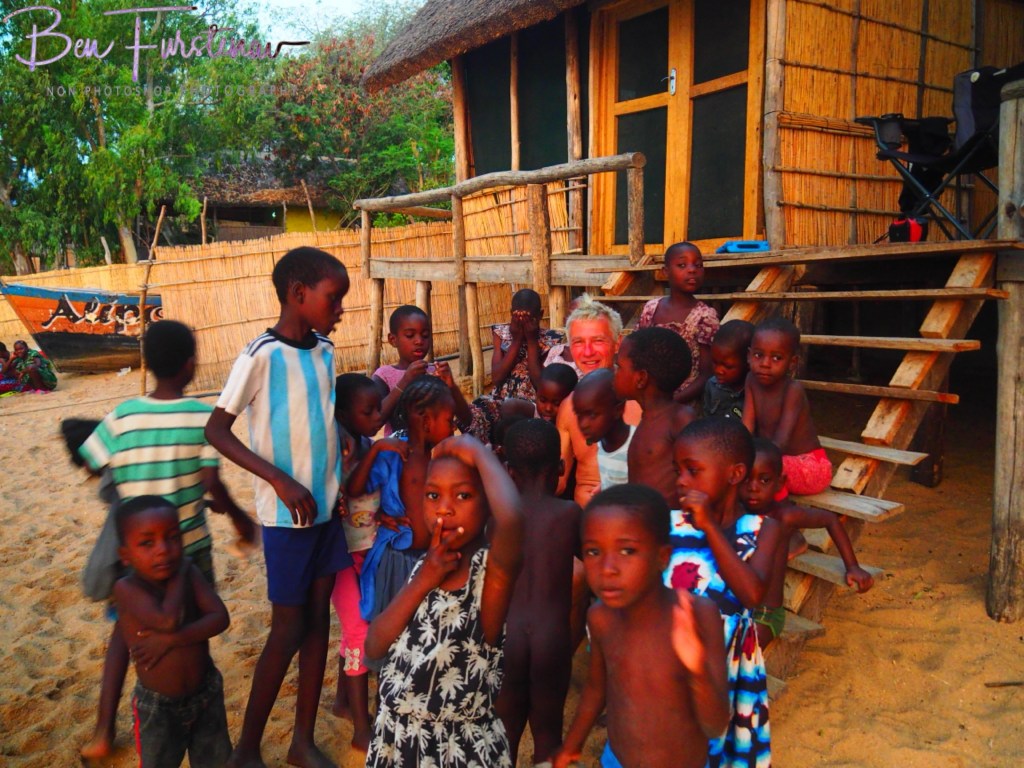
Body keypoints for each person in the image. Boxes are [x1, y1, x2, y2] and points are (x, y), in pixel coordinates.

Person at [78, 319, 255, 761]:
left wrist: (130, 477)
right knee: (192, 630)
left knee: (125, 636)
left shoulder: (123, 414)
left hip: (134, 556)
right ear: (191, 364)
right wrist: (238, 519)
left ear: (148, 363)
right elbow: (213, 481)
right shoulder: (200, 415)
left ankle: (103, 730)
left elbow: (92, 462)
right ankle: (197, 709)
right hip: (187, 551)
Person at [205, 246, 351, 768]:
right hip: (286, 520)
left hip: (327, 511)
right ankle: (247, 750)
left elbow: (319, 413)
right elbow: (216, 430)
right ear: (298, 294)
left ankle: (301, 742)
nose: (340, 309)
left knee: (317, 625)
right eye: (334, 298)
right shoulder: (260, 355)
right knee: (287, 629)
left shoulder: (326, 352)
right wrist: (278, 479)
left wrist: (342, 434)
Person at [363, 434, 524, 767]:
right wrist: (423, 581)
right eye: (432, 495)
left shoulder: (488, 576)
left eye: (463, 495)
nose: (444, 508)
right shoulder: (424, 565)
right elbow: (374, 646)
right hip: (397, 741)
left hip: (456, 749)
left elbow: (512, 521)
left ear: (488, 503)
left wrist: (478, 453)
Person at [552, 484, 730, 768]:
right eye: (594, 551)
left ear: (662, 557)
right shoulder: (600, 618)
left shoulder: (699, 616)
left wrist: (695, 669)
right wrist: (571, 747)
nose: (608, 567)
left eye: (627, 550)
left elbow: (716, 725)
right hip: (617, 761)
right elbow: (597, 689)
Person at [668, 417, 783, 768]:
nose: (681, 480)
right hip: (671, 661)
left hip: (727, 668)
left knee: (716, 748)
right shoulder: (671, 523)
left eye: (693, 470)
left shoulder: (762, 530)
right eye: (678, 470)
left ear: (734, 475)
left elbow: (751, 593)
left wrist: (709, 528)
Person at [112, 495, 232, 768]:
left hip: (207, 692)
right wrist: (181, 572)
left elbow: (220, 617)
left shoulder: (188, 573)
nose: (163, 550)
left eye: (173, 537)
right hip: (158, 707)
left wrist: (172, 641)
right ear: (125, 555)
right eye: (147, 543)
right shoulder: (127, 589)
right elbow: (167, 620)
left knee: (216, 761)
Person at [496, 419, 582, 765]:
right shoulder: (569, 513)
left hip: (507, 638)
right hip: (552, 638)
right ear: (561, 469)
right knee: (548, 731)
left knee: (504, 730)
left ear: (509, 472)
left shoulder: (498, 517)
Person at [742, 438, 874, 648]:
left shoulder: (783, 517)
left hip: (766, 615)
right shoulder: (735, 513)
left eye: (764, 480)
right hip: (737, 607)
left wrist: (853, 566)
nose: (753, 488)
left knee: (743, 648)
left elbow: (830, 519)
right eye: (746, 480)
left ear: (780, 483)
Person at [349, 375, 457, 622]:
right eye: (449, 421)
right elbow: (355, 490)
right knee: (397, 625)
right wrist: (376, 449)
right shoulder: (394, 455)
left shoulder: (445, 460)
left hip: (432, 561)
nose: (453, 428)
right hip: (398, 560)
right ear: (427, 422)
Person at [328, 373, 383, 752]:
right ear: (344, 414)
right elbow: (347, 491)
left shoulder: (364, 442)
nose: (379, 416)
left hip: (368, 552)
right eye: (369, 411)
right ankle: (362, 728)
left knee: (357, 629)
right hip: (342, 555)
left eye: (380, 407)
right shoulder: (338, 452)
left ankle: (342, 699)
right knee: (359, 630)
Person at [555, 294, 641, 506]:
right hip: (586, 519)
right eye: (578, 342)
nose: (587, 352)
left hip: (635, 514)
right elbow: (558, 481)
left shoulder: (642, 402)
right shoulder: (569, 407)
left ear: (617, 342)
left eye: (597, 341)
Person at [743, 315, 833, 498]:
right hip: (775, 460)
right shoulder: (751, 380)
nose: (765, 364)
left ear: (792, 363)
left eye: (776, 358)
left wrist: (752, 460)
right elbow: (746, 427)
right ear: (749, 355)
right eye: (758, 355)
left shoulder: (793, 390)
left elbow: (781, 441)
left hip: (809, 467)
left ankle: (780, 518)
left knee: (755, 472)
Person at [614, 327, 697, 510]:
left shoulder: (679, 418)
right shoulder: (646, 420)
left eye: (619, 367)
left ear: (641, 378)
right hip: (644, 525)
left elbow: (697, 472)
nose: (615, 373)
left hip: (672, 527)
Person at [635, 242, 719, 404]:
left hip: (684, 402)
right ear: (666, 272)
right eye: (682, 265)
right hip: (647, 397)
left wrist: (670, 402)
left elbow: (706, 374)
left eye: (698, 265)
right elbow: (637, 353)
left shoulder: (705, 317)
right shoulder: (651, 308)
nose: (692, 270)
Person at [490, 288, 565, 401]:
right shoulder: (501, 333)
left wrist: (532, 341)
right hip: (500, 399)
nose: (523, 323)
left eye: (529, 319)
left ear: (540, 315)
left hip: (532, 402)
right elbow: (496, 378)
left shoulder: (552, 339)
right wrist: (516, 340)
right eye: (518, 318)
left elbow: (539, 384)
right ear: (511, 314)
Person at [572, 369, 633, 490]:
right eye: (579, 415)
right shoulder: (603, 442)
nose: (583, 424)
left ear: (618, 410)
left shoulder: (636, 448)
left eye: (592, 415)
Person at [703, 320, 754, 420]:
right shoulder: (712, 385)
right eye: (714, 362)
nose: (718, 370)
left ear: (748, 361)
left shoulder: (755, 392)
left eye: (728, 366)